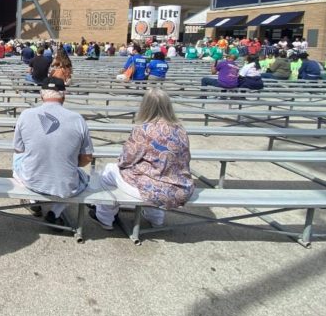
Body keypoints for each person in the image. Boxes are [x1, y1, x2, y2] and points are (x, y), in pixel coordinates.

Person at [90, 89, 194, 229]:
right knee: (154, 175)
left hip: (156, 191)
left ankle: (104, 217)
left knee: (109, 170)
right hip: (181, 190)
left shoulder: (144, 129)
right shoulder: (181, 130)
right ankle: (156, 218)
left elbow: (126, 159)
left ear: (145, 106)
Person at [13, 77, 93, 226]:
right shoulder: (78, 119)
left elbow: (19, 149)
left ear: (41, 95)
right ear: (64, 95)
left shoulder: (25, 115)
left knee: (17, 156)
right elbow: (87, 158)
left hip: (32, 181)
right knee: (77, 176)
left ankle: (32, 200)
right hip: (66, 186)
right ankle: (55, 212)